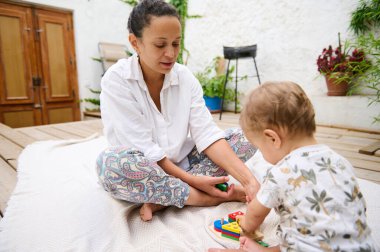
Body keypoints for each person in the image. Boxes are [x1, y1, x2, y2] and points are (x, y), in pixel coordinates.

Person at [96, 0, 259, 222]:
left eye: (176, 43)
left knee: (246, 138)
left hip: (186, 164)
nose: (171, 53)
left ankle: (164, 198)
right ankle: (205, 197)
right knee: (111, 165)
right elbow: (144, 148)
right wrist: (193, 181)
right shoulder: (116, 80)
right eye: (160, 45)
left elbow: (206, 134)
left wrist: (250, 182)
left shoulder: (185, 77)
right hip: (145, 168)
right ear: (135, 42)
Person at [210, 81, 377, 252]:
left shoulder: (280, 172)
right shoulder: (341, 162)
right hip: (361, 246)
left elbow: (255, 215)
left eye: (259, 147)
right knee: (303, 232)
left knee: (296, 239)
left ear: (273, 138)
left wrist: (245, 224)